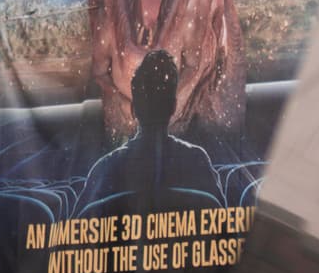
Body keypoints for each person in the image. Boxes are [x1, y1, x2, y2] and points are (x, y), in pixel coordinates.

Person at [78, 47, 224, 217]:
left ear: (133, 110)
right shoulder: (198, 162)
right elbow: (225, 232)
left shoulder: (104, 170)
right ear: (173, 107)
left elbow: (76, 232)